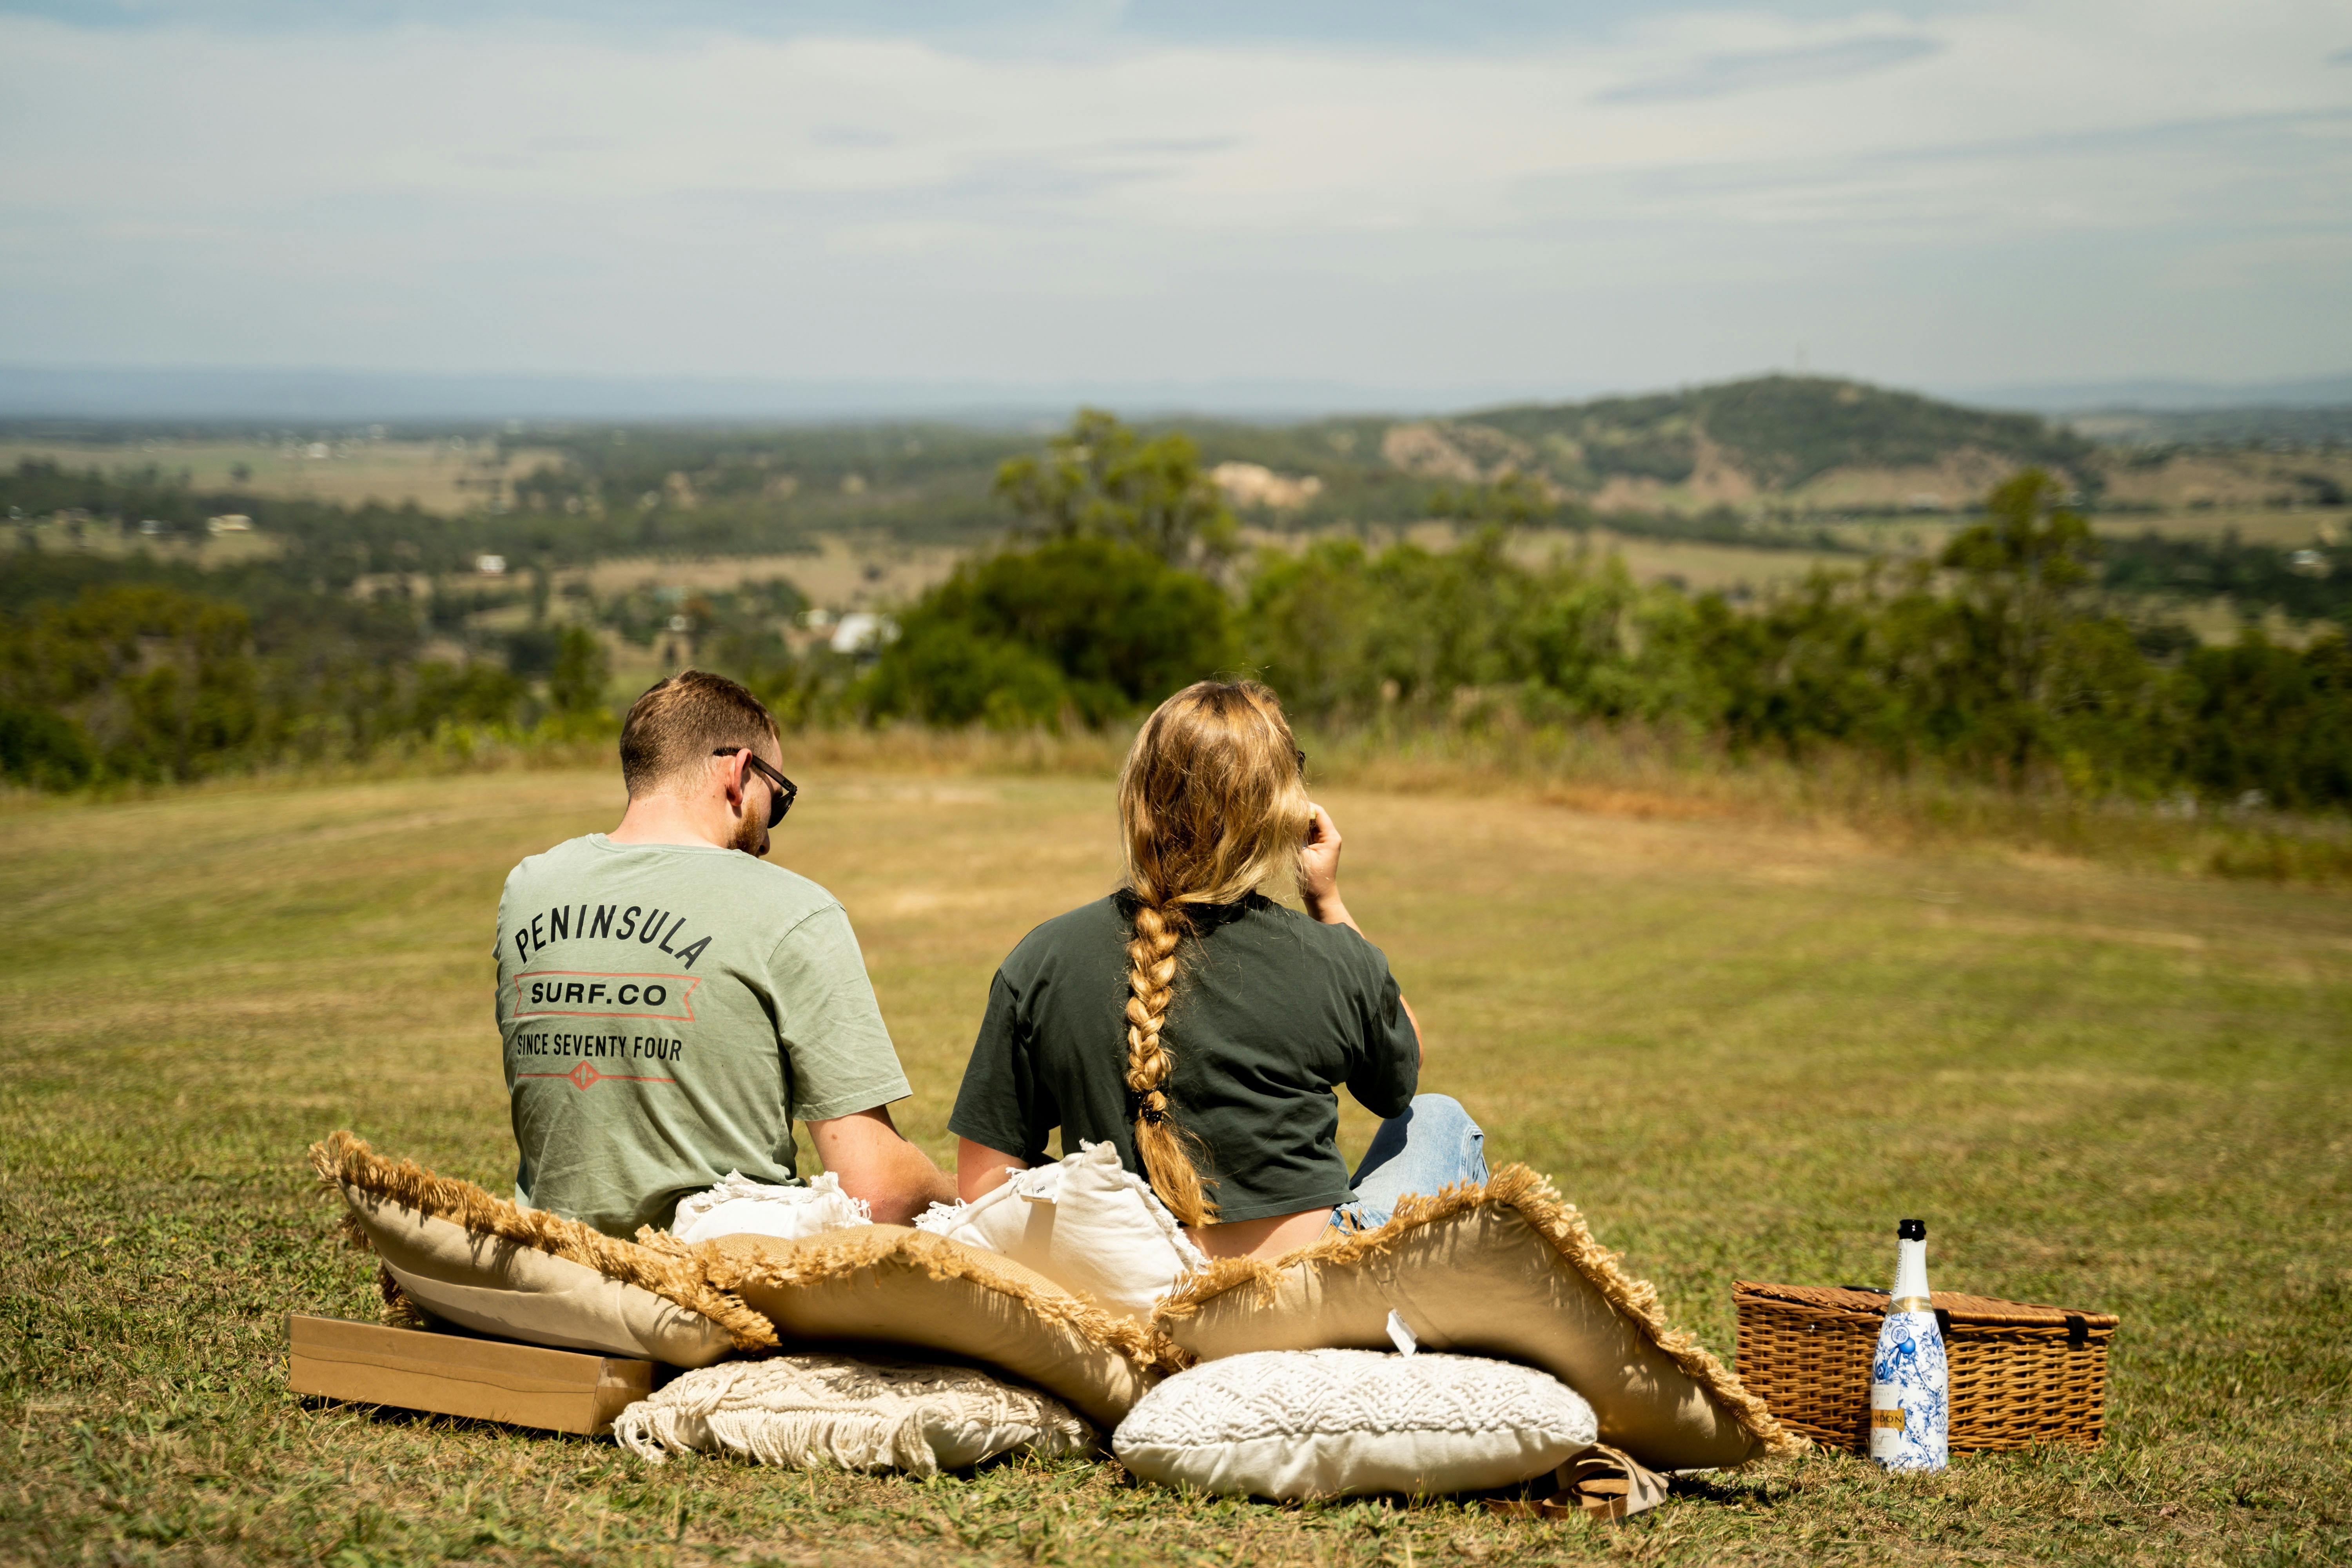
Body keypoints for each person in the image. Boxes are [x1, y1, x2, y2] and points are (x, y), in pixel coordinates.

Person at [948, 679, 1487, 1260]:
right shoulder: (1333, 957)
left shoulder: (1042, 959)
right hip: (1307, 1284)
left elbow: (984, 1185)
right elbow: (1400, 1076)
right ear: (1281, 809)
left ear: (1137, 796)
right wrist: (1327, 900)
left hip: (1137, 1285)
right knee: (1439, 1117)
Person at [492, 669, 953, 1238]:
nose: (768, 840)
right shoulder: (795, 909)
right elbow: (880, 1193)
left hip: (556, 1261)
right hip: (719, 1272)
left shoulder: (529, 889)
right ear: (738, 773)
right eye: (778, 801)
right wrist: (967, 1195)